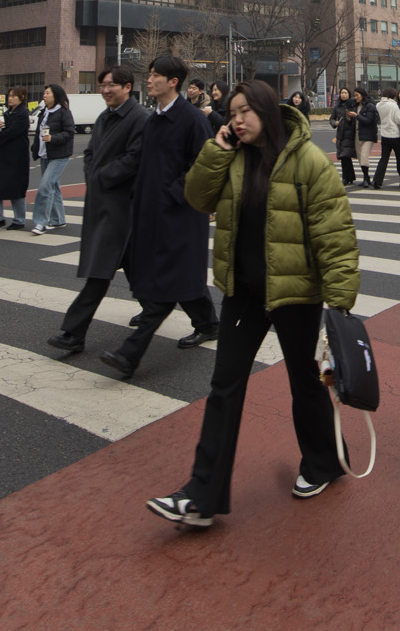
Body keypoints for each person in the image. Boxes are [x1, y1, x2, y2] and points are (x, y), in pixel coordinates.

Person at [147, 80, 362, 528]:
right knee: (224, 386)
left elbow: (335, 232)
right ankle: (202, 495)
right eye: (231, 112)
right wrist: (217, 149)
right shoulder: (230, 155)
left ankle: (324, 461)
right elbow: (196, 197)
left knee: (305, 383)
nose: (237, 119)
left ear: (266, 110)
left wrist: (340, 302)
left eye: (245, 111)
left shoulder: (307, 160)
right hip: (242, 292)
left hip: (294, 292)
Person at [100, 54, 218, 377]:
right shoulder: (154, 119)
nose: (149, 80)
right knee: (181, 273)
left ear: (173, 82)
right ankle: (208, 323)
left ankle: (130, 353)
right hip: (152, 212)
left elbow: (204, 164)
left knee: (170, 278)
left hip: (181, 214)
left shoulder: (192, 119)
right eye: (149, 74)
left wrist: (171, 195)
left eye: (155, 75)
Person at [50, 67, 147, 354]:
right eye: (103, 85)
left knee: (100, 271)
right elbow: (90, 152)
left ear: (127, 87)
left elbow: (135, 158)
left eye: (111, 85)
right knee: (135, 267)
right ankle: (191, 315)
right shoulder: (105, 116)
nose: (105, 90)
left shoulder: (139, 118)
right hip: (104, 202)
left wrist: (102, 176)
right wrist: (92, 172)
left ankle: (73, 332)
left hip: (123, 205)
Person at [0, 90, 31, 230]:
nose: (10, 99)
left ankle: (19, 220)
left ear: (21, 98)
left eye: (13, 96)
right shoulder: (7, 113)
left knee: (17, 186)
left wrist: (2, 133)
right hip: (2, 153)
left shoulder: (23, 114)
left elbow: (12, 132)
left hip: (17, 155)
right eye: (9, 96)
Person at [30, 84, 75, 234]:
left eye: (48, 93)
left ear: (56, 95)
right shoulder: (44, 112)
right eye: (44, 93)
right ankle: (58, 220)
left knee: (45, 186)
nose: (44, 95)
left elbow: (69, 132)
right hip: (45, 155)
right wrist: (35, 147)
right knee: (53, 187)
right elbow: (39, 133)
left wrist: (53, 138)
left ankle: (41, 222)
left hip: (59, 156)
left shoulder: (63, 112)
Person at [369, 86, 400, 188]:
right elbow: (398, 120)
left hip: (384, 135)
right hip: (395, 134)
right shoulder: (394, 105)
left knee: (384, 159)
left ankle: (377, 180)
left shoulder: (379, 105)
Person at [331, 89, 362, 187]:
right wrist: (334, 123)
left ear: (349, 94)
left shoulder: (353, 105)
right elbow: (331, 119)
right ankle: (350, 177)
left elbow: (357, 118)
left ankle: (346, 177)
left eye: (345, 93)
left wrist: (351, 118)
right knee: (344, 157)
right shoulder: (337, 106)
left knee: (345, 155)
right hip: (341, 134)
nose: (343, 95)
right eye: (342, 93)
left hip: (350, 134)